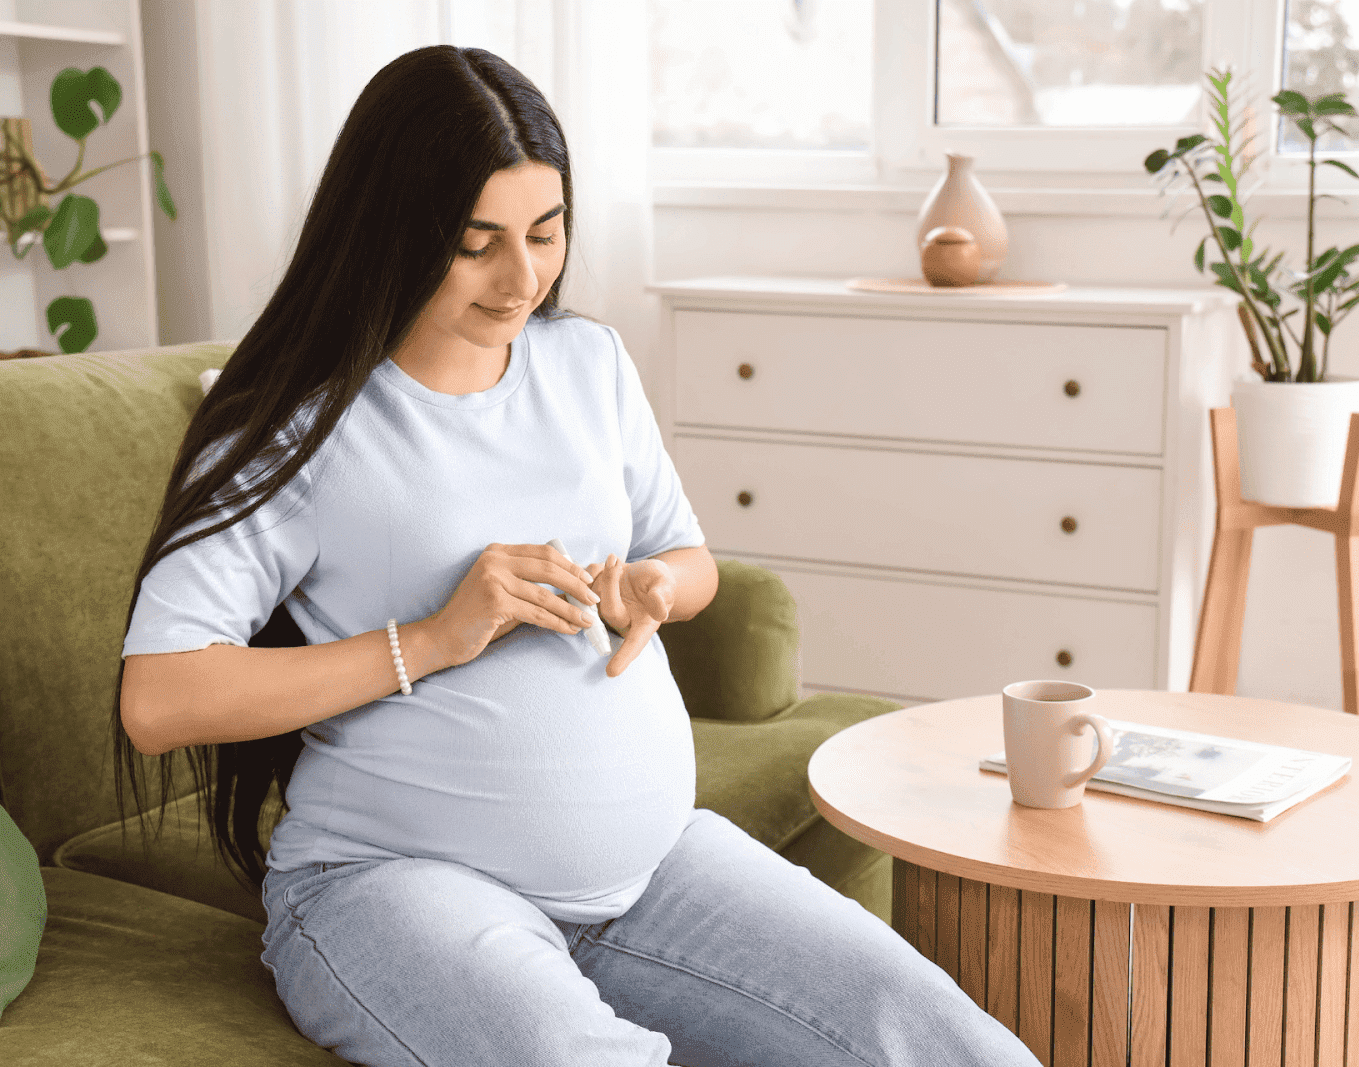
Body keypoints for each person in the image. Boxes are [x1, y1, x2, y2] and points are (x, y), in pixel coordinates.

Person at [113, 45, 1042, 1067]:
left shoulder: (586, 363)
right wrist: (431, 636)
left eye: (545, 233)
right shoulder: (299, 420)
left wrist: (654, 589)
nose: (523, 277)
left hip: (653, 868)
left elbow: (687, 559)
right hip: (391, 881)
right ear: (389, 232)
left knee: (945, 1035)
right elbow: (161, 697)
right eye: (477, 244)